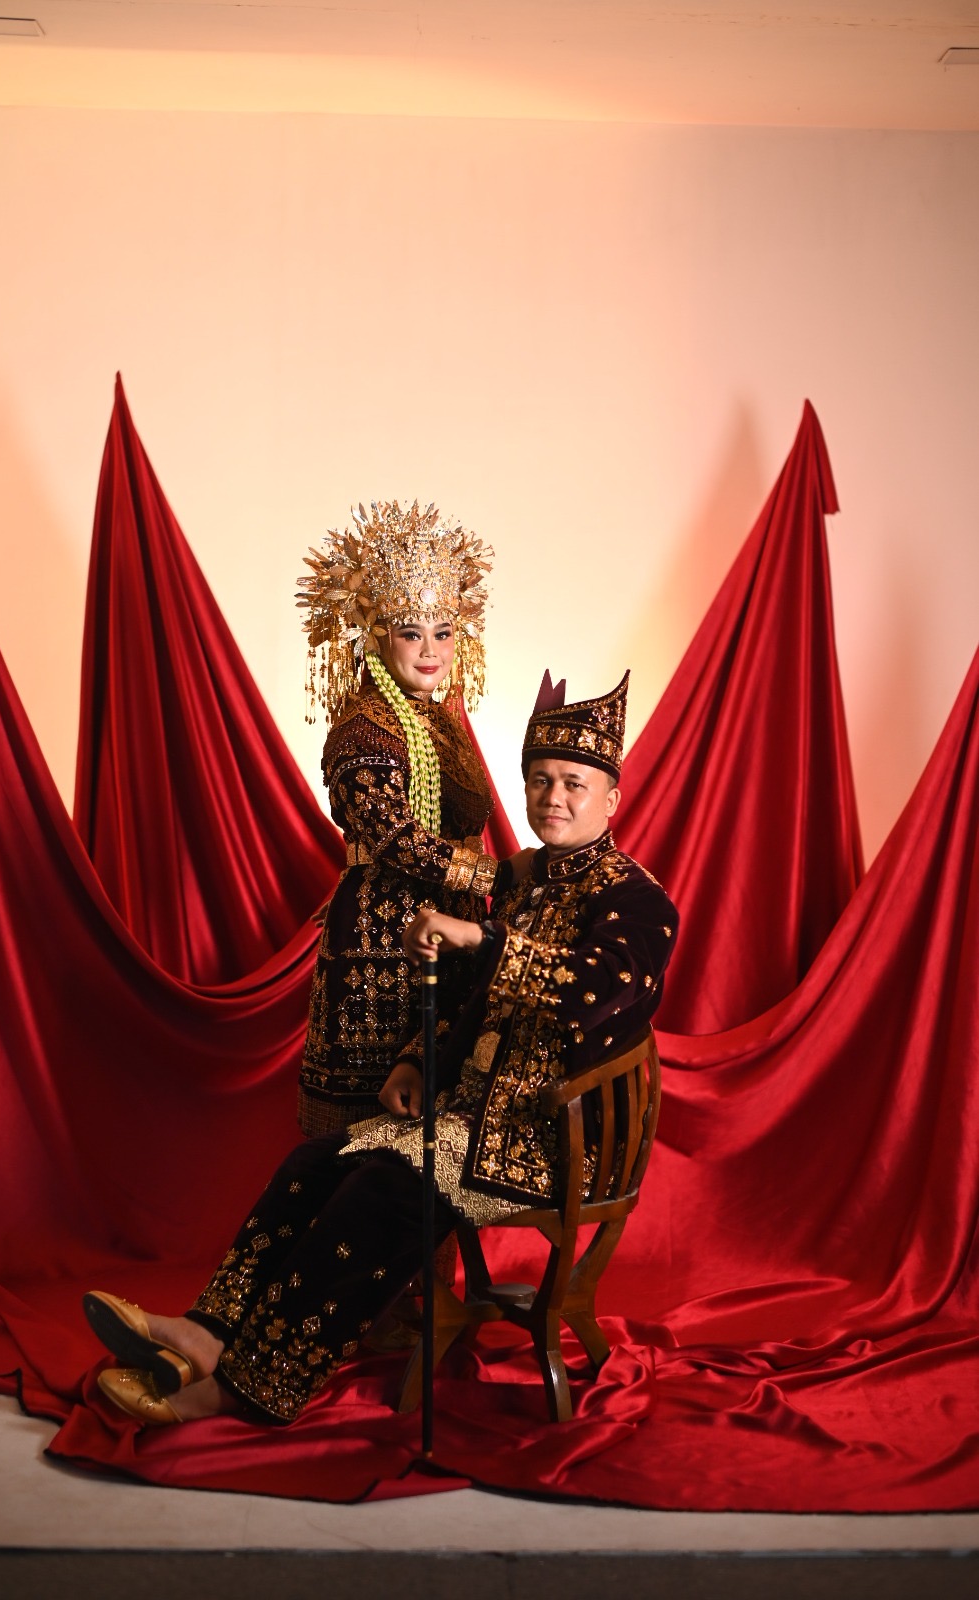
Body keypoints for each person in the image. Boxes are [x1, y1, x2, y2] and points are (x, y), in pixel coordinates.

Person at [85, 667, 679, 1425]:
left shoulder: (637, 898)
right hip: (476, 1120)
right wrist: (415, 1059)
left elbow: (591, 992)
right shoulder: (525, 881)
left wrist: (480, 937)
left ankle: (254, 1386)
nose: (553, 798)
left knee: (389, 1191)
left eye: (573, 784)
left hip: (553, 1138)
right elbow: (467, 1000)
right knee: (314, 1164)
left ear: (612, 800)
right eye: (540, 780)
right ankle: (205, 1335)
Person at [292, 498, 528, 1136]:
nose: (431, 651)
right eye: (410, 633)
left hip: (449, 929)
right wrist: (500, 877)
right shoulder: (363, 730)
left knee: (443, 1117)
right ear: (375, 637)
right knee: (372, 1130)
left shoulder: (438, 723)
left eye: (443, 633)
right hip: (382, 942)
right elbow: (396, 839)